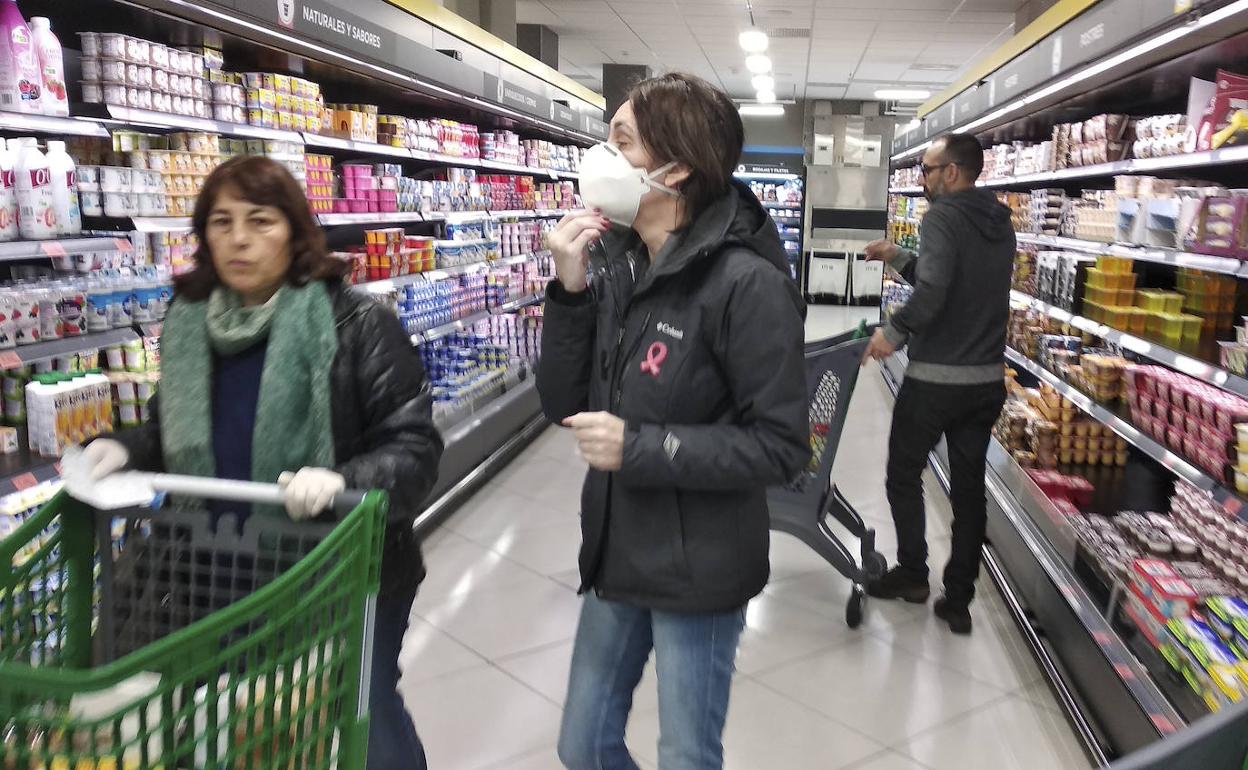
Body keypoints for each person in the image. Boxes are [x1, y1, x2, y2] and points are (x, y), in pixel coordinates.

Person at [78, 156, 442, 770]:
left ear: (296, 231)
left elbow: (415, 451)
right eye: (220, 221)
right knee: (256, 721)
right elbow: (177, 434)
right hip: (216, 569)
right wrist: (127, 448)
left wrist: (342, 480)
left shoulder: (356, 324)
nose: (239, 238)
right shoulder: (189, 324)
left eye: (260, 220)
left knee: (359, 708)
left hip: (342, 567)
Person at [538, 72, 810, 770]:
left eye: (620, 142)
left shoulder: (747, 285)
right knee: (583, 743)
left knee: (687, 755)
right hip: (616, 551)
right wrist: (569, 293)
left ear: (677, 165)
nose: (600, 158)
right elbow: (562, 406)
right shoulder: (621, 262)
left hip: (700, 570)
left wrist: (642, 447)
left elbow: (782, 449)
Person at [862, 132, 1014, 635]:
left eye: (927, 170)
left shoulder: (943, 217)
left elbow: (935, 291)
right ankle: (960, 598)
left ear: (952, 172)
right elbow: (954, 281)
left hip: (936, 380)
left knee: (903, 475)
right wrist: (896, 255)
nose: (922, 180)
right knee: (969, 489)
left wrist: (894, 332)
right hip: (986, 382)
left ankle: (912, 574)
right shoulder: (999, 222)